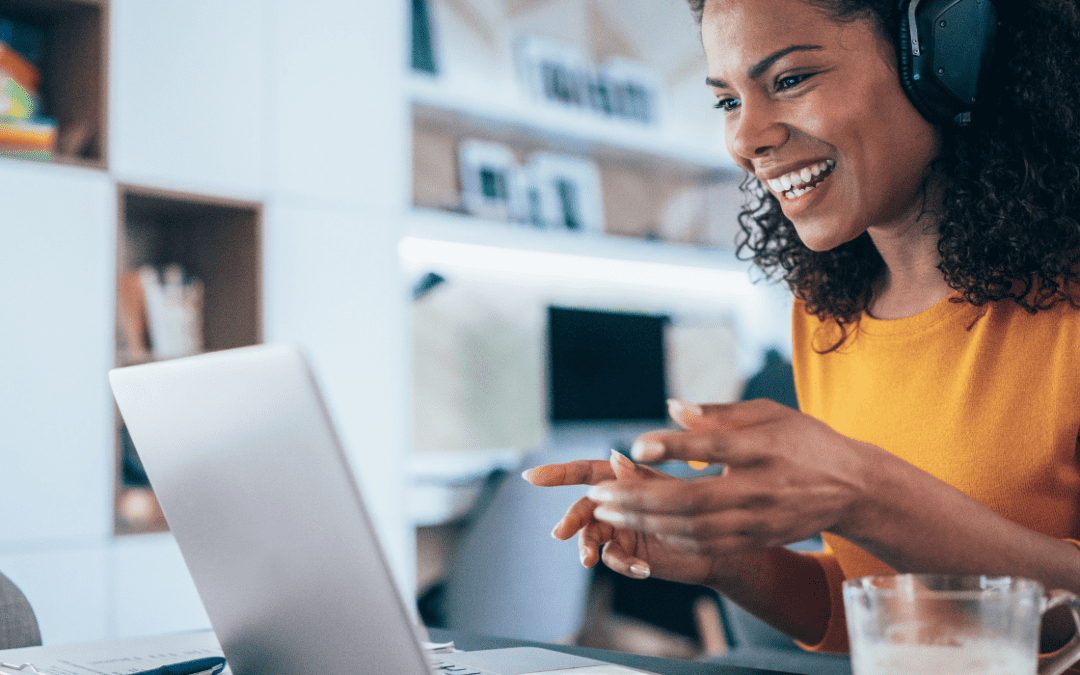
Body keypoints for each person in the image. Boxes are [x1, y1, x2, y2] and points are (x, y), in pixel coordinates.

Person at [523, 0, 1080, 656]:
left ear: (946, 54)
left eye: (789, 80)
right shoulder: (827, 314)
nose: (743, 139)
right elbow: (888, 617)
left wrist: (861, 492)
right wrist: (723, 555)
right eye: (727, 101)